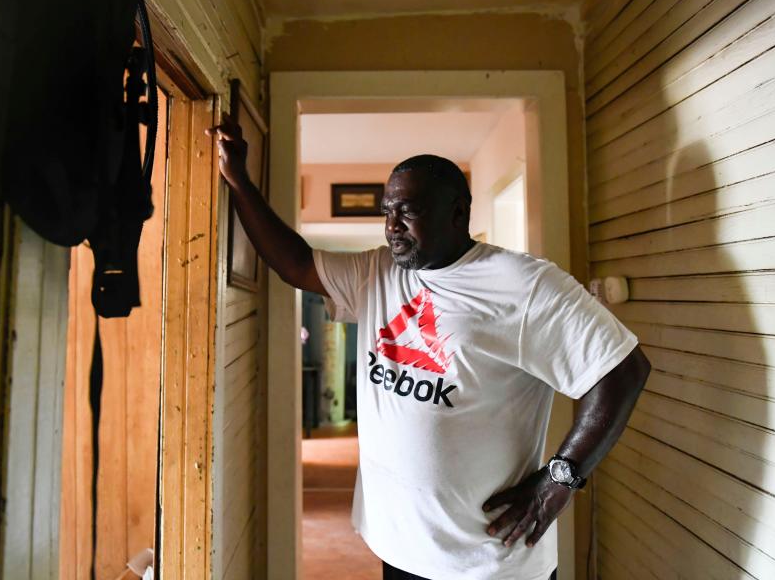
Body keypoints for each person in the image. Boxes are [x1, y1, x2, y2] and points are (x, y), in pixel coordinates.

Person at [207, 117, 651, 580]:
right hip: (400, 548)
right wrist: (239, 181)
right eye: (387, 211)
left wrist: (558, 481)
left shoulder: (525, 285)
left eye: (409, 211)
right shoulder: (378, 272)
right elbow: (295, 264)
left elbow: (623, 371)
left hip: (486, 563)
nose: (392, 226)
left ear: (458, 213)